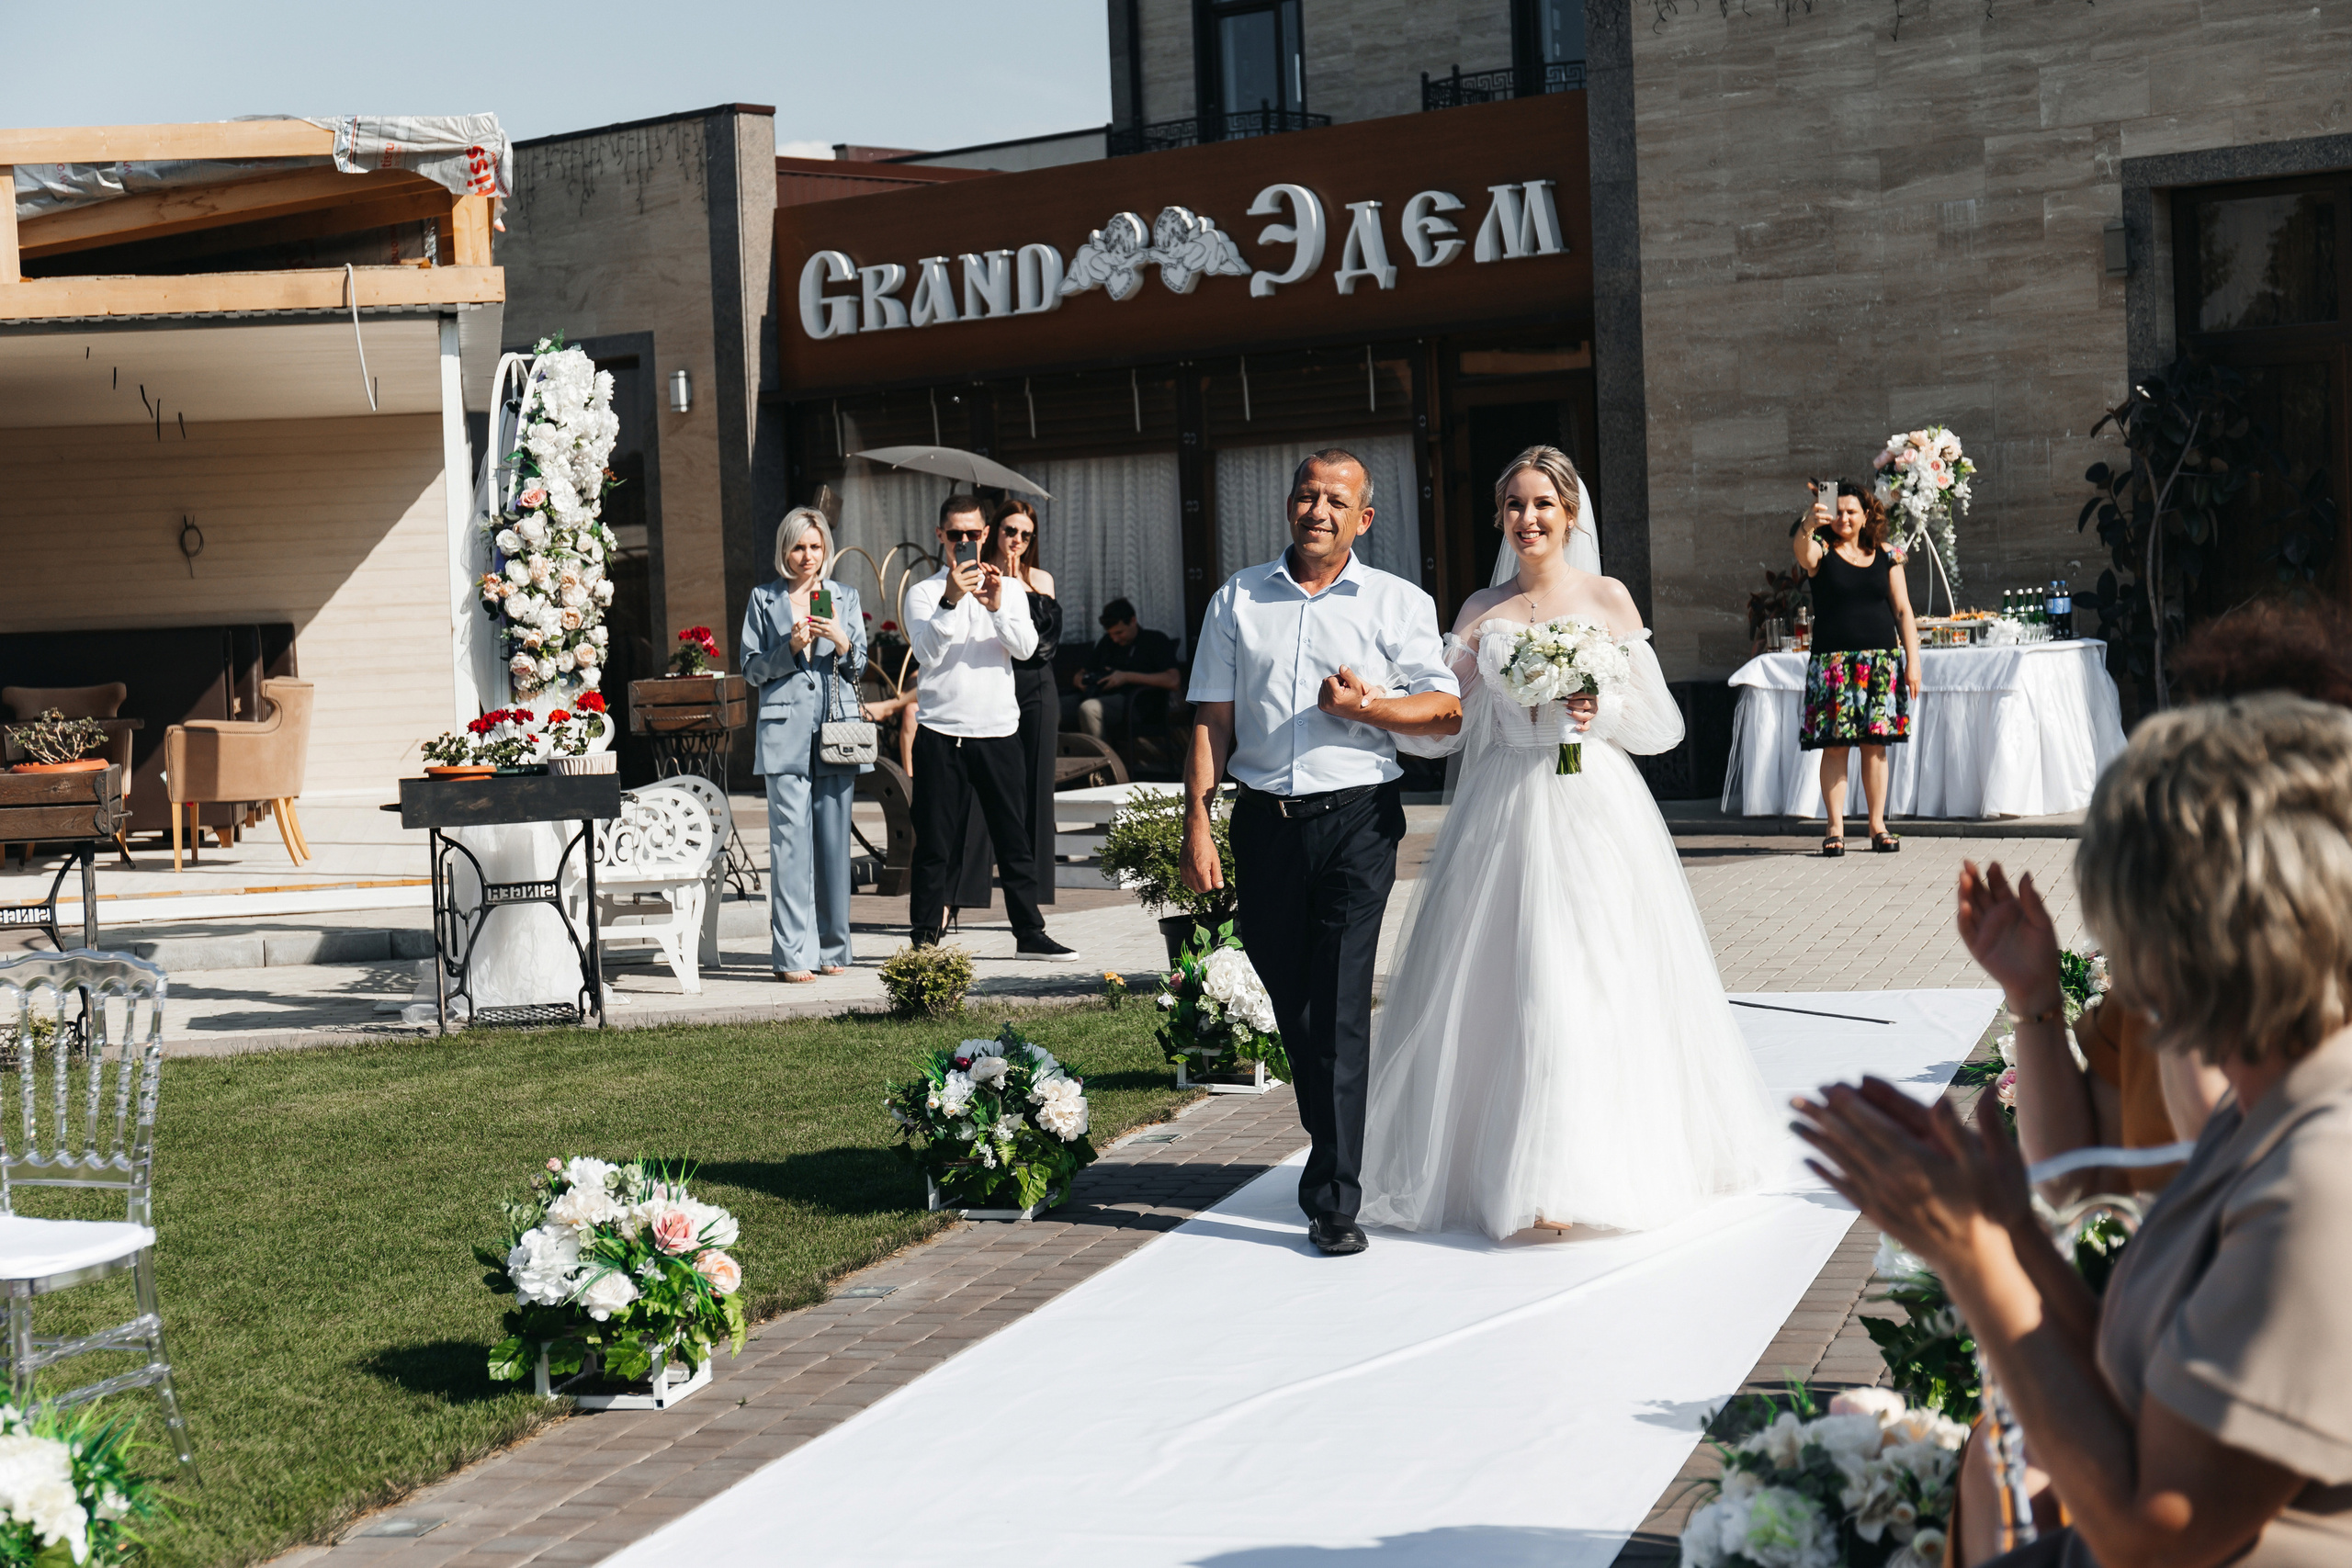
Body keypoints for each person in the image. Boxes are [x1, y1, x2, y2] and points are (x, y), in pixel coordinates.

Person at [1798, 694, 2352, 1568]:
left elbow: (2152, 1534)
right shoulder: (2271, 1108)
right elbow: (2137, 1382)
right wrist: (2010, 1224)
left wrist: (1974, 1256)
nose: (2115, 952)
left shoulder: (2323, 1169)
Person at [1356, 446, 1783, 1239]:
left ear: (1570, 514)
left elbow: (1665, 725)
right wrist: (1373, 708)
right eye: (1515, 505)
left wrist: (1600, 711)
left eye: (1543, 504)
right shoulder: (1481, 611)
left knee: (1588, 975)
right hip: (1502, 810)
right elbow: (1445, 726)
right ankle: (1510, 1170)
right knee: (1511, 981)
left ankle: (1579, 1168)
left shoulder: (1607, 598)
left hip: (1593, 806)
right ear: (1499, 517)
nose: (1529, 519)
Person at [1181, 448, 1462, 1257]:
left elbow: (1445, 710)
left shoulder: (1396, 603)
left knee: (1339, 1006)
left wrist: (1369, 707)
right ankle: (1333, 1132)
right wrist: (1197, 820)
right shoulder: (1238, 597)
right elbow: (1212, 719)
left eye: (1337, 500)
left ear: (1363, 518)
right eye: (1308, 495)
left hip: (1358, 821)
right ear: (1290, 504)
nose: (1319, 510)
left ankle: (1334, 1197)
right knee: (1295, 1008)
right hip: (1263, 823)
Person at [903, 493, 1074, 958]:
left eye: (972, 534)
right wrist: (951, 600)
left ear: (985, 535)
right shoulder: (923, 593)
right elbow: (926, 654)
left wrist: (997, 606)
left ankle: (1029, 934)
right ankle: (924, 935)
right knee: (934, 843)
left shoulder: (1011, 589)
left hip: (998, 731)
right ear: (940, 536)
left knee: (1013, 840)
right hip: (940, 731)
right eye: (954, 534)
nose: (964, 542)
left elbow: (1025, 650)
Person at [741, 506, 866, 982]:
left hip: (837, 731)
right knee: (789, 846)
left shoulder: (844, 598)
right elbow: (752, 670)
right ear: (784, 550)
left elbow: (858, 670)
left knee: (834, 845)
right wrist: (788, 649)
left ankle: (834, 949)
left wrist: (841, 641)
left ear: (826, 550)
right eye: (798, 546)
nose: (807, 556)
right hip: (783, 735)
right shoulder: (762, 598)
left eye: (815, 547)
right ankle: (793, 956)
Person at [1792, 479, 1921, 857]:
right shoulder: (1820, 550)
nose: (1844, 518)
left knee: (1875, 747)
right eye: (1839, 511)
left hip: (1880, 666)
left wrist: (1913, 661)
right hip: (1834, 665)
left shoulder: (1888, 555)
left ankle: (1877, 826)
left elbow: (1903, 611)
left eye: (1852, 512)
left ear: (1866, 516)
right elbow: (1803, 554)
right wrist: (1807, 525)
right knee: (1834, 748)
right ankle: (1835, 829)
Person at [989, 498, 1060, 906]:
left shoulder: (1041, 579)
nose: (1016, 539)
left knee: (1036, 785)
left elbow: (1044, 645)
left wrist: (1020, 586)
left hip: (1036, 683)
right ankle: (968, 888)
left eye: (1025, 534)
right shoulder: (981, 576)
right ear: (995, 530)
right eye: (1009, 530)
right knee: (988, 784)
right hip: (994, 682)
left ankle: (1035, 890)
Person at [1064, 598, 1182, 742]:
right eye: (1111, 634)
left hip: (1135, 703)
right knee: (1052, 707)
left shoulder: (1154, 640)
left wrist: (1126, 677)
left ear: (1133, 621)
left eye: (1119, 633)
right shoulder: (1107, 641)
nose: (1115, 639)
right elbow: (1084, 670)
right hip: (1097, 694)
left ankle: (1101, 762)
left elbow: (1173, 680)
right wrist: (1080, 679)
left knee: (1090, 709)